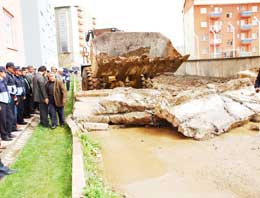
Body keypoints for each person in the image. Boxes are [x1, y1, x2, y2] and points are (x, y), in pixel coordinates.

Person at [5, 62, 19, 132]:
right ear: (8, 68)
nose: (13, 69)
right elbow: (6, 87)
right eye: (12, 68)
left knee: (14, 113)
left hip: (13, 96)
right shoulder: (6, 75)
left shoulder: (11, 75)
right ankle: (9, 130)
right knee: (10, 114)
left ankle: (13, 127)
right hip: (9, 96)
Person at [0, 66, 13, 141]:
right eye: (4, 72)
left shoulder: (3, 80)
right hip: (1, 102)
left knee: (9, 117)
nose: (5, 73)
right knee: (2, 120)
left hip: (6, 101)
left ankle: (8, 133)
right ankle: (4, 135)